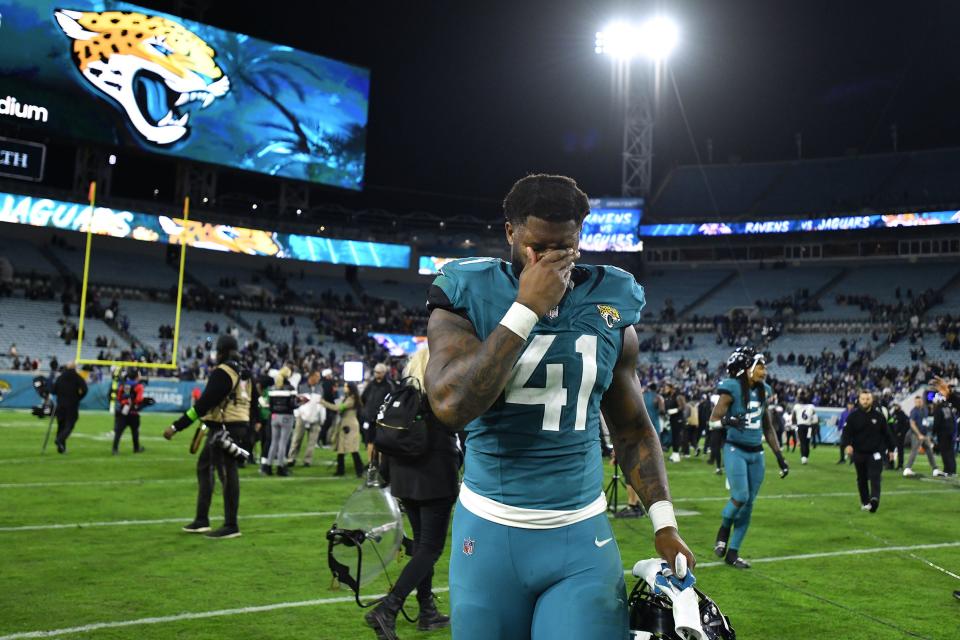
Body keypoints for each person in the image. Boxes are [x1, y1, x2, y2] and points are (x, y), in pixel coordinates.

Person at [424, 174, 694, 639]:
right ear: (510, 233)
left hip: (580, 536)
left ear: (579, 239)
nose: (550, 260)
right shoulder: (467, 292)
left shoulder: (609, 303)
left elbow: (631, 429)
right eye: (536, 247)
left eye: (563, 248)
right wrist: (526, 308)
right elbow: (450, 405)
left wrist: (664, 522)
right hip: (489, 533)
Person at [364, 348, 460, 639]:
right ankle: (388, 609)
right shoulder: (440, 395)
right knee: (430, 549)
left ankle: (427, 611)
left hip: (404, 480)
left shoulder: (405, 394)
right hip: (433, 480)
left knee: (421, 546)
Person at [163, 335, 258, 539]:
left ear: (221, 351)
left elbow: (203, 404)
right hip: (237, 426)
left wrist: (176, 426)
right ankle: (201, 520)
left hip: (225, 429)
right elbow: (254, 403)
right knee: (205, 467)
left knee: (226, 473)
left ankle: (231, 525)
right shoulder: (246, 373)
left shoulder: (223, 372)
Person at [710, 347, 789, 569]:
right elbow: (712, 421)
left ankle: (733, 552)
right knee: (741, 496)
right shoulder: (731, 388)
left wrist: (780, 456)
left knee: (749, 504)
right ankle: (724, 529)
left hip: (757, 453)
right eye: (760, 366)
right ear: (747, 369)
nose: (764, 370)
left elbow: (768, 426)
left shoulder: (764, 390)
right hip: (735, 449)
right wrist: (728, 421)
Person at [841, 390, 895, 513]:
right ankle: (865, 502)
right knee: (862, 478)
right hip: (859, 453)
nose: (865, 401)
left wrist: (891, 450)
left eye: (867, 399)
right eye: (863, 399)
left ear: (872, 400)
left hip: (875, 453)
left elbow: (887, 434)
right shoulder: (853, 417)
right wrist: (847, 445)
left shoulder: (879, 416)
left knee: (875, 476)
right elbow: (846, 433)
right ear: (859, 400)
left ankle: (874, 499)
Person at [323, 381, 364, 478]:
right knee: (341, 448)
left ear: (350, 388)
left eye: (346, 386)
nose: (344, 388)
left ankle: (360, 470)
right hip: (344, 424)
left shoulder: (352, 399)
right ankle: (340, 470)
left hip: (350, 425)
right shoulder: (348, 398)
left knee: (353, 448)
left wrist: (324, 403)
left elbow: (338, 408)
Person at [287, 369, 325, 468]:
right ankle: (291, 458)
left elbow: (321, 403)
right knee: (297, 439)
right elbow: (297, 402)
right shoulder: (301, 387)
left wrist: (321, 417)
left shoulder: (320, 388)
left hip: (315, 417)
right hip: (302, 417)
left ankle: (307, 460)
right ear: (311, 376)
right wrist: (298, 414)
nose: (319, 378)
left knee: (312, 441)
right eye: (317, 376)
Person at [265, 364, 296, 477]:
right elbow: (292, 404)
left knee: (274, 442)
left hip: (274, 416)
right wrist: (302, 402)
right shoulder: (290, 388)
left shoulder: (273, 388)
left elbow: (270, 405)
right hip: (286, 416)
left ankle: (268, 466)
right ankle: (280, 466)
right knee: (283, 443)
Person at [360, 362, 395, 460]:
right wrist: (366, 412)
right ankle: (371, 464)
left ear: (384, 373)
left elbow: (391, 402)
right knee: (369, 442)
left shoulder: (389, 386)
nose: (377, 374)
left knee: (381, 443)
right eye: (375, 372)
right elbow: (363, 398)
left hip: (382, 420)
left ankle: (381, 465)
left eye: (379, 372)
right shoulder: (371, 385)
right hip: (369, 418)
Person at [51, 362, 87, 454]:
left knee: (61, 426)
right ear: (75, 368)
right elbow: (85, 389)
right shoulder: (77, 377)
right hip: (72, 405)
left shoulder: (60, 377)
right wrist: (78, 397)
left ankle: (61, 448)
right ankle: (59, 440)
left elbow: (54, 390)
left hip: (60, 405)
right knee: (70, 425)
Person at [112, 368, 146, 455]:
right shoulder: (139, 386)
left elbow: (119, 397)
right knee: (135, 431)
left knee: (119, 431)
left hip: (123, 410)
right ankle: (136, 448)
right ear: (137, 376)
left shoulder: (123, 385)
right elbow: (139, 399)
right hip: (133, 411)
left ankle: (115, 449)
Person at [903, 396, 938, 477]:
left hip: (924, 434)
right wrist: (919, 434)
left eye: (919, 401)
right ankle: (907, 468)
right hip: (916, 434)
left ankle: (935, 469)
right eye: (917, 402)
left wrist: (927, 435)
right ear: (915, 402)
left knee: (929, 450)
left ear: (922, 401)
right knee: (914, 450)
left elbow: (925, 423)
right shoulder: (914, 411)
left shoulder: (925, 409)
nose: (918, 403)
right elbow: (912, 424)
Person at [930, 397, 957, 477]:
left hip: (943, 434)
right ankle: (953, 471)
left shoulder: (938, 409)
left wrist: (933, 433)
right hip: (950, 433)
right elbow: (953, 421)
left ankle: (948, 470)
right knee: (950, 452)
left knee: (945, 452)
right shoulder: (948, 408)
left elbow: (937, 423)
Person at [663, 381, 687, 462]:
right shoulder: (670, 397)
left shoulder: (677, 396)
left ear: (671, 389)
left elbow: (683, 406)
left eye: (666, 388)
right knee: (673, 436)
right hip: (673, 419)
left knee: (676, 437)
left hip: (678, 419)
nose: (665, 389)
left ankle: (676, 455)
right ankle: (674, 454)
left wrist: (674, 410)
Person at [793, 393, 818, 465]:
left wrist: (794, 423)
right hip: (809, 427)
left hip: (800, 426)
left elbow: (793, 417)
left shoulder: (796, 406)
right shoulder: (811, 406)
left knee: (802, 442)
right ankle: (806, 457)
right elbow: (814, 415)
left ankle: (803, 457)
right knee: (807, 442)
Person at [318, 368, 338, 447]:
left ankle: (323, 440)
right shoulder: (328, 383)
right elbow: (329, 396)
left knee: (327, 424)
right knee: (327, 424)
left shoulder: (322, 383)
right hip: (327, 406)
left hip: (325, 405)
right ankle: (321, 439)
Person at [889, 402, 910, 470]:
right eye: (895, 405)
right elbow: (890, 423)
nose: (896, 407)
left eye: (897, 405)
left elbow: (907, 425)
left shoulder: (903, 414)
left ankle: (900, 465)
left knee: (900, 450)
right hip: (893, 435)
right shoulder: (893, 414)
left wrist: (901, 432)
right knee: (891, 449)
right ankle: (890, 464)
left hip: (900, 436)